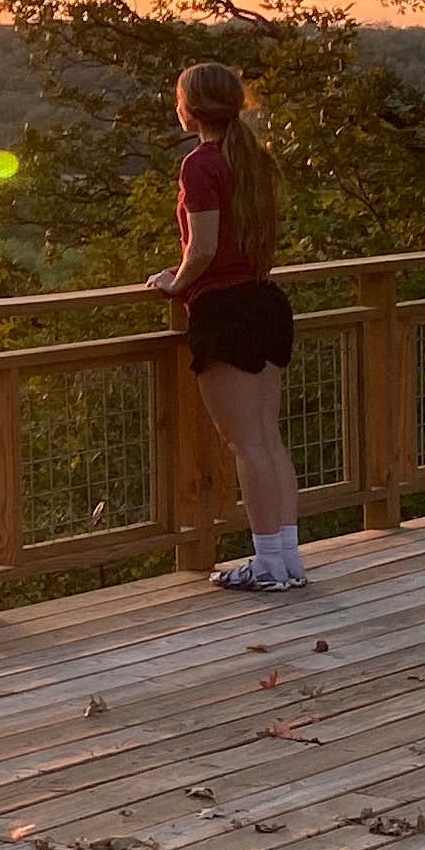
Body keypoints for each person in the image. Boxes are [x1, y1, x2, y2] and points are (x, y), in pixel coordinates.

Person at [151, 60, 303, 590]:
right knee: (268, 439)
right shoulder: (254, 161)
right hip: (263, 301)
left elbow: (205, 247)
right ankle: (286, 561)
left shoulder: (201, 165)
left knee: (247, 444)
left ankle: (266, 565)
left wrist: (176, 282)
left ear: (190, 109)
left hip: (225, 310)